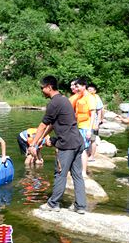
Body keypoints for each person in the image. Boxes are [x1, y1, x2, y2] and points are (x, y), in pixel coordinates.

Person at [29, 76, 88, 214]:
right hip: (78, 142)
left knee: (60, 174)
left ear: (49, 87)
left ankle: (53, 204)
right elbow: (51, 124)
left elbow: (43, 124)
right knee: (77, 175)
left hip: (67, 144)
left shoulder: (53, 103)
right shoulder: (63, 100)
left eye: (42, 88)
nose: (41, 91)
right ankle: (80, 207)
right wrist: (40, 140)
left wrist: (32, 145)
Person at [68, 78, 95, 175]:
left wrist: (89, 130)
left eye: (77, 86)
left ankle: (83, 172)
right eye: (75, 86)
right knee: (77, 147)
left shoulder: (89, 97)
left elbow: (93, 114)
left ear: (84, 86)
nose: (76, 88)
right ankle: (76, 169)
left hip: (86, 127)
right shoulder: (80, 97)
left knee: (83, 149)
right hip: (78, 126)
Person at [87, 84, 105, 165]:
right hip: (86, 122)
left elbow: (100, 111)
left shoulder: (96, 98)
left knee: (93, 139)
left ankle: (92, 156)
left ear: (95, 91)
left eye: (91, 90)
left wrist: (98, 123)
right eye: (88, 89)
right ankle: (87, 153)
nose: (89, 91)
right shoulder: (86, 97)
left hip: (94, 122)